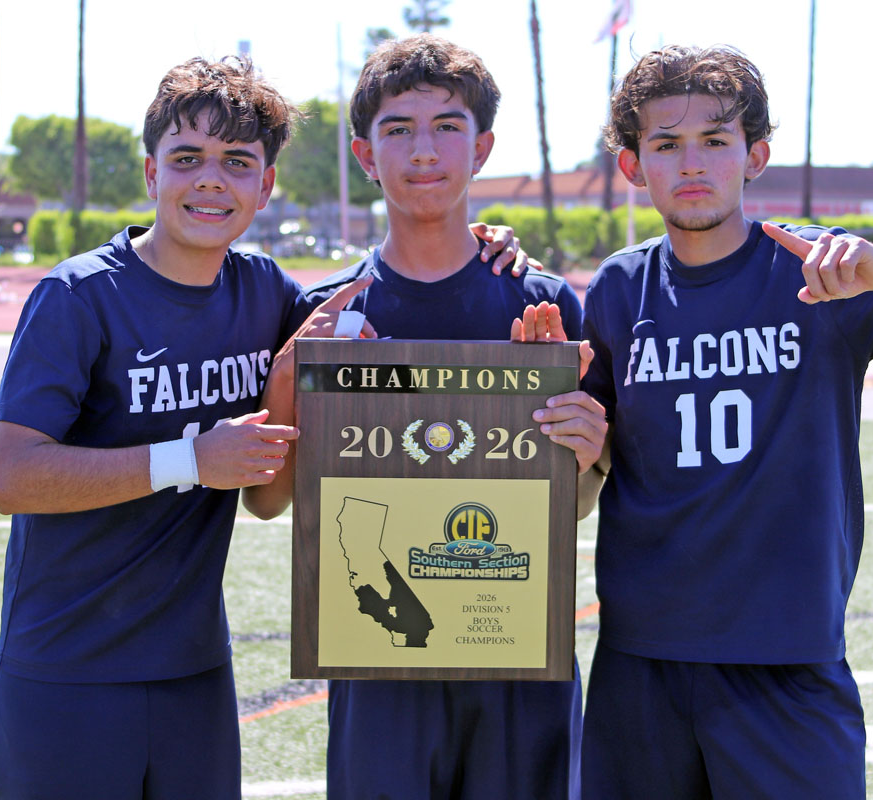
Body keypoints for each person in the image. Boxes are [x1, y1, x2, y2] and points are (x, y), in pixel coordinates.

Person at [0, 54, 530, 799]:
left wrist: (488, 241)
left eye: (237, 162)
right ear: (151, 173)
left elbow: (370, 318)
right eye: (188, 158)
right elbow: (11, 477)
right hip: (68, 667)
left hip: (196, 671)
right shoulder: (79, 295)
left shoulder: (267, 293)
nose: (211, 180)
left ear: (265, 186)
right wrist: (190, 460)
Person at [574, 45, 873, 799]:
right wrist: (576, 451)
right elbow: (593, 473)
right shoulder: (619, 288)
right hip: (640, 659)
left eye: (715, 140)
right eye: (667, 144)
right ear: (633, 165)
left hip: (786, 655)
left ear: (754, 156)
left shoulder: (822, 269)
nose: (693, 163)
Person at [259, 34, 607, 800]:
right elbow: (269, 499)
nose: (424, 150)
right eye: (398, 129)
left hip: (514, 652)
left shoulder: (542, 301)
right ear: (364, 153)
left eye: (448, 127)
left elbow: (578, 503)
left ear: (481, 149)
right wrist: (294, 381)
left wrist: (582, 452)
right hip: (378, 657)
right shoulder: (322, 312)